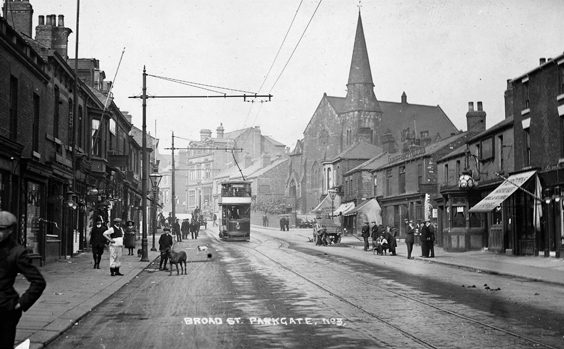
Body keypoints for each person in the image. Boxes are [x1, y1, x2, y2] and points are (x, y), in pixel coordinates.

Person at [0, 211, 46, 349]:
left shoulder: (17, 252)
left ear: (10, 230)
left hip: (4, 310)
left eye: (1, 229)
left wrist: (21, 303)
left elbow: (38, 282)